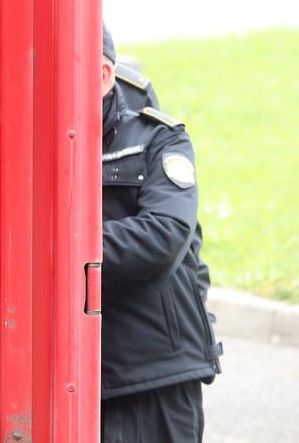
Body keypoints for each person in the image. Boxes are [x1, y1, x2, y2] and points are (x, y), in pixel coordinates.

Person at [100, 25, 221, 442]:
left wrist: (58, 251)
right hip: (72, 373)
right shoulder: (28, 145)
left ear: (102, 76)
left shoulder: (158, 139)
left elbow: (164, 237)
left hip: (154, 373)